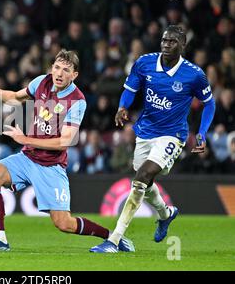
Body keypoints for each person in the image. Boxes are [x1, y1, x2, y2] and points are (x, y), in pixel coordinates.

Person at [0, 49, 134, 252]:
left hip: (50, 165)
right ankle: (0, 240)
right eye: (57, 67)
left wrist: (24, 138)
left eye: (66, 70)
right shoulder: (41, 81)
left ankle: (112, 237)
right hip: (28, 157)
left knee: (64, 223)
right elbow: (14, 97)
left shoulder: (77, 101)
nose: (59, 73)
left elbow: (64, 142)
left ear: (74, 75)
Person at [91, 25, 216, 253]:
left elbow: (210, 103)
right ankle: (166, 214)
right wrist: (122, 106)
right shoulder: (144, 63)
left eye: (172, 42)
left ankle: (114, 239)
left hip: (172, 135)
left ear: (182, 45)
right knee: (144, 182)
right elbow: (130, 88)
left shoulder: (194, 74)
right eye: (164, 41)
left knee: (143, 176)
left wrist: (202, 132)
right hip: (145, 131)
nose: (166, 45)